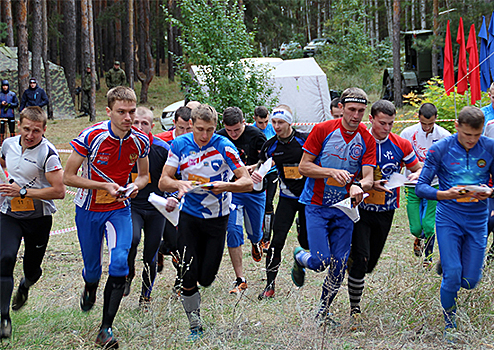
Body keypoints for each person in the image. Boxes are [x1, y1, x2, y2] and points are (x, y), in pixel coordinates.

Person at [63, 86, 150, 349]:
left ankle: (105, 329)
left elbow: (144, 176)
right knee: (93, 270)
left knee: (120, 263)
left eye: (132, 112)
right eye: (121, 112)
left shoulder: (141, 140)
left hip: (119, 210)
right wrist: (103, 186)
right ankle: (90, 286)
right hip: (89, 210)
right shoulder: (91, 136)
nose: (128, 118)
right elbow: (68, 177)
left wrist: (135, 186)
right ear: (108, 111)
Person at [158, 104, 252, 340]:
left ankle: (194, 267)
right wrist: (179, 184)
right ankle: (195, 326)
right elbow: (163, 181)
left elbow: (247, 182)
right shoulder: (180, 145)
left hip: (217, 218)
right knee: (189, 275)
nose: (204, 135)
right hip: (189, 215)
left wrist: (226, 186)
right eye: (200, 129)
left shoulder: (224, 146)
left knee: (207, 278)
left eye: (210, 130)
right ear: (191, 125)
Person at [291, 87, 375, 325]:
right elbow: (303, 167)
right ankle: (300, 256)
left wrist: (360, 185)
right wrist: (330, 172)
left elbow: (368, 176)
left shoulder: (366, 138)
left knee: (339, 264)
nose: (356, 115)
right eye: (351, 110)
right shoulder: (322, 130)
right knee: (320, 261)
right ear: (341, 108)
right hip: (317, 205)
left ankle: (323, 311)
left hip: (345, 208)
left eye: (361, 111)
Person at [415, 106, 494, 341]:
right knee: (453, 276)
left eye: (477, 136)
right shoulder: (440, 149)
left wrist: (489, 192)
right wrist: (444, 194)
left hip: (478, 219)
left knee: (469, 281)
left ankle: (449, 264)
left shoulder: (489, 148)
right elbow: (421, 187)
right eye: (467, 134)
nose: (472, 141)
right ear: (457, 126)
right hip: (449, 217)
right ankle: (450, 324)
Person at [346, 100, 421, 325]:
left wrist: (415, 176)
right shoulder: (359, 141)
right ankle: (355, 308)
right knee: (361, 258)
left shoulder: (401, 144)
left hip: (386, 210)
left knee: (370, 263)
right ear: (371, 119)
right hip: (360, 210)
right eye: (382, 123)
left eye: (390, 123)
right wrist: (363, 183)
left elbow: (418, 168)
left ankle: (350, 263)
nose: (387, 128)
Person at [0, 106, 65, 339]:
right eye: (26, 129)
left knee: (32, 269)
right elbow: (3, 161)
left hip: (38, 218)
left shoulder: (48, 154)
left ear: (44, 130)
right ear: (18, 126)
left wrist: (23, 191)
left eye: (36, 131)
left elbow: (59, 191)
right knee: (5, 258)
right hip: (9, 214)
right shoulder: (8, 144)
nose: (30, 135)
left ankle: (25, 286)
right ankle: (3, 317)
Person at [255, 105, 309, 300]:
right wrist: (253, 173)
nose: (277, 126)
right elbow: (261, 166)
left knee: (307, 242)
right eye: (274, 122)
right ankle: (270, 286)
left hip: (307, 198)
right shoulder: (270, 146)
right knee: (276, 241)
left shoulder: (305, 139)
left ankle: (299, 256)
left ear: (290, 123)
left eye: (281, 122)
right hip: (287, 198)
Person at [217, 107, 267, 294]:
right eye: (229, 131)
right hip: (232, 191)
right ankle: (240, 278)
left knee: (254, 232)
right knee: (233, 230)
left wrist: (251, 168)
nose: (233, 134)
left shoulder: (257, 135)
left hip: (254, 191)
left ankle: (256, 242)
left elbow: (267, 160)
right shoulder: (220, 138)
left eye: (237, 130)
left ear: (244, 122)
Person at [124, 107, 169, 306]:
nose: (140, 127)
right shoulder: (123, 146)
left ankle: (145, 296)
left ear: (152, 126)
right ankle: (128, 273)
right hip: (133, 205)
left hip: (156, 208)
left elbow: (172, 177)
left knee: (150, 254)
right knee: (132, 240)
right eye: (136, 123)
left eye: (145, 124)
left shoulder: (162, 149)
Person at [400, 103, 450, 265]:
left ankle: (428, 258)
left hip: (434, 185)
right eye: (424, 123)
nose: (427, 127)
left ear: (436, 119)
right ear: (418, 117)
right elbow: (399, 157)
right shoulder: (407, 133)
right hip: (411, 185)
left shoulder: (444, 135)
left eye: (431, 124)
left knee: (428, 225)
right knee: (416, 227)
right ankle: (418, 238)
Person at [253, 106, 277, 251]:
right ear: (254, 119)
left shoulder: (273, 129)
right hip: (257, 172)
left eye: (266, 122)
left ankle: (266, 239)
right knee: (258, 204)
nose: (264, 125)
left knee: (269, 203)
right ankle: (257, 236)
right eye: (260, 122)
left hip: (272, 171)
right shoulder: (251, 132)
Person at [0, 80, 19, 145]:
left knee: (12, 130)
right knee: (1, 130)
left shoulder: (12, 94)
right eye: (3, 86)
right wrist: (1, 104)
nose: (5, 87)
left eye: (6, 86)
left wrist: (9, 104)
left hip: (11, 114)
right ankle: (1, 143)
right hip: (2, 115)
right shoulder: (0, 94)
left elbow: (16, 104)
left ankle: (13, 142)